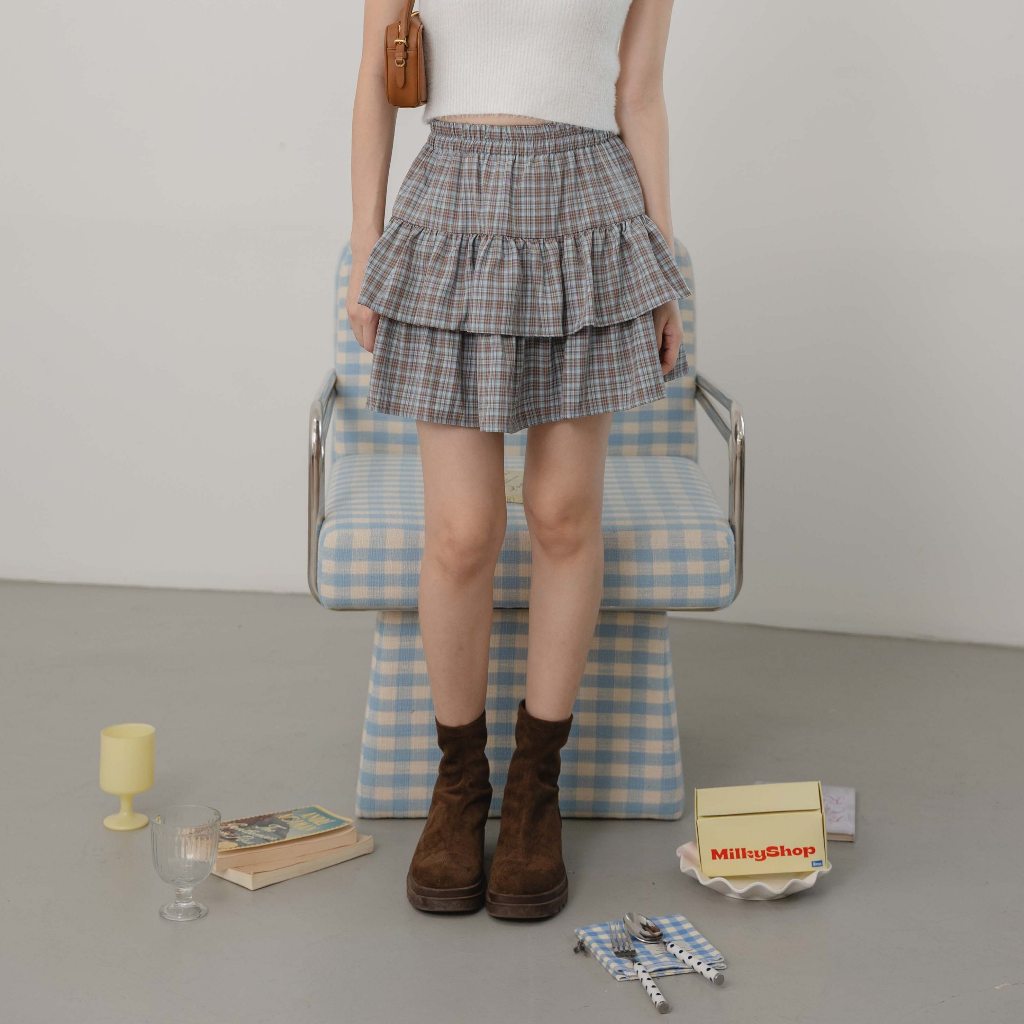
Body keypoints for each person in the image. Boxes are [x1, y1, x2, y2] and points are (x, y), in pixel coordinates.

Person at [347, 0, 690, 920]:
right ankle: (460, 787)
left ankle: (537, 789)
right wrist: (366, 243)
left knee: (563, 517)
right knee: (463, 533)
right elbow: (377, 76)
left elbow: (640, 94)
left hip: (590, 210)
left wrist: (663, 270)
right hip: (450, 203)